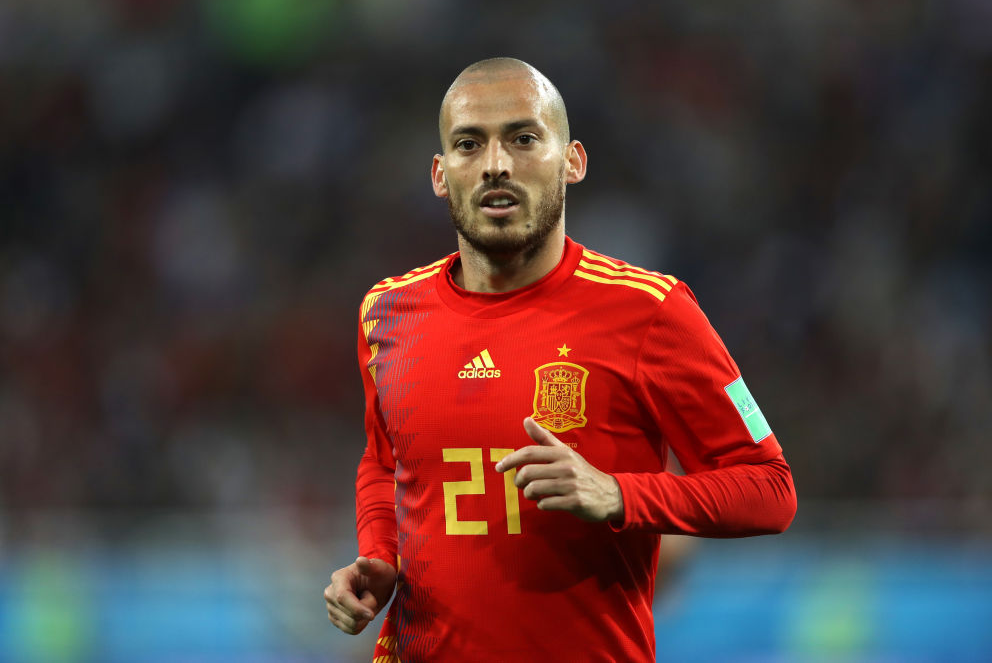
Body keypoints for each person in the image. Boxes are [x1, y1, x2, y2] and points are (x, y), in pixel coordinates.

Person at [324, 57, 796, 662]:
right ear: (441, 174)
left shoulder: (652, 311)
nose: (496, 164)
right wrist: (379, 557)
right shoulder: (385, 314)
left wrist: (620, 495)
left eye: (523, 138)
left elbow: (770, 488)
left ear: (572, 160)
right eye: (470, 144)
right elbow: (384, 464)